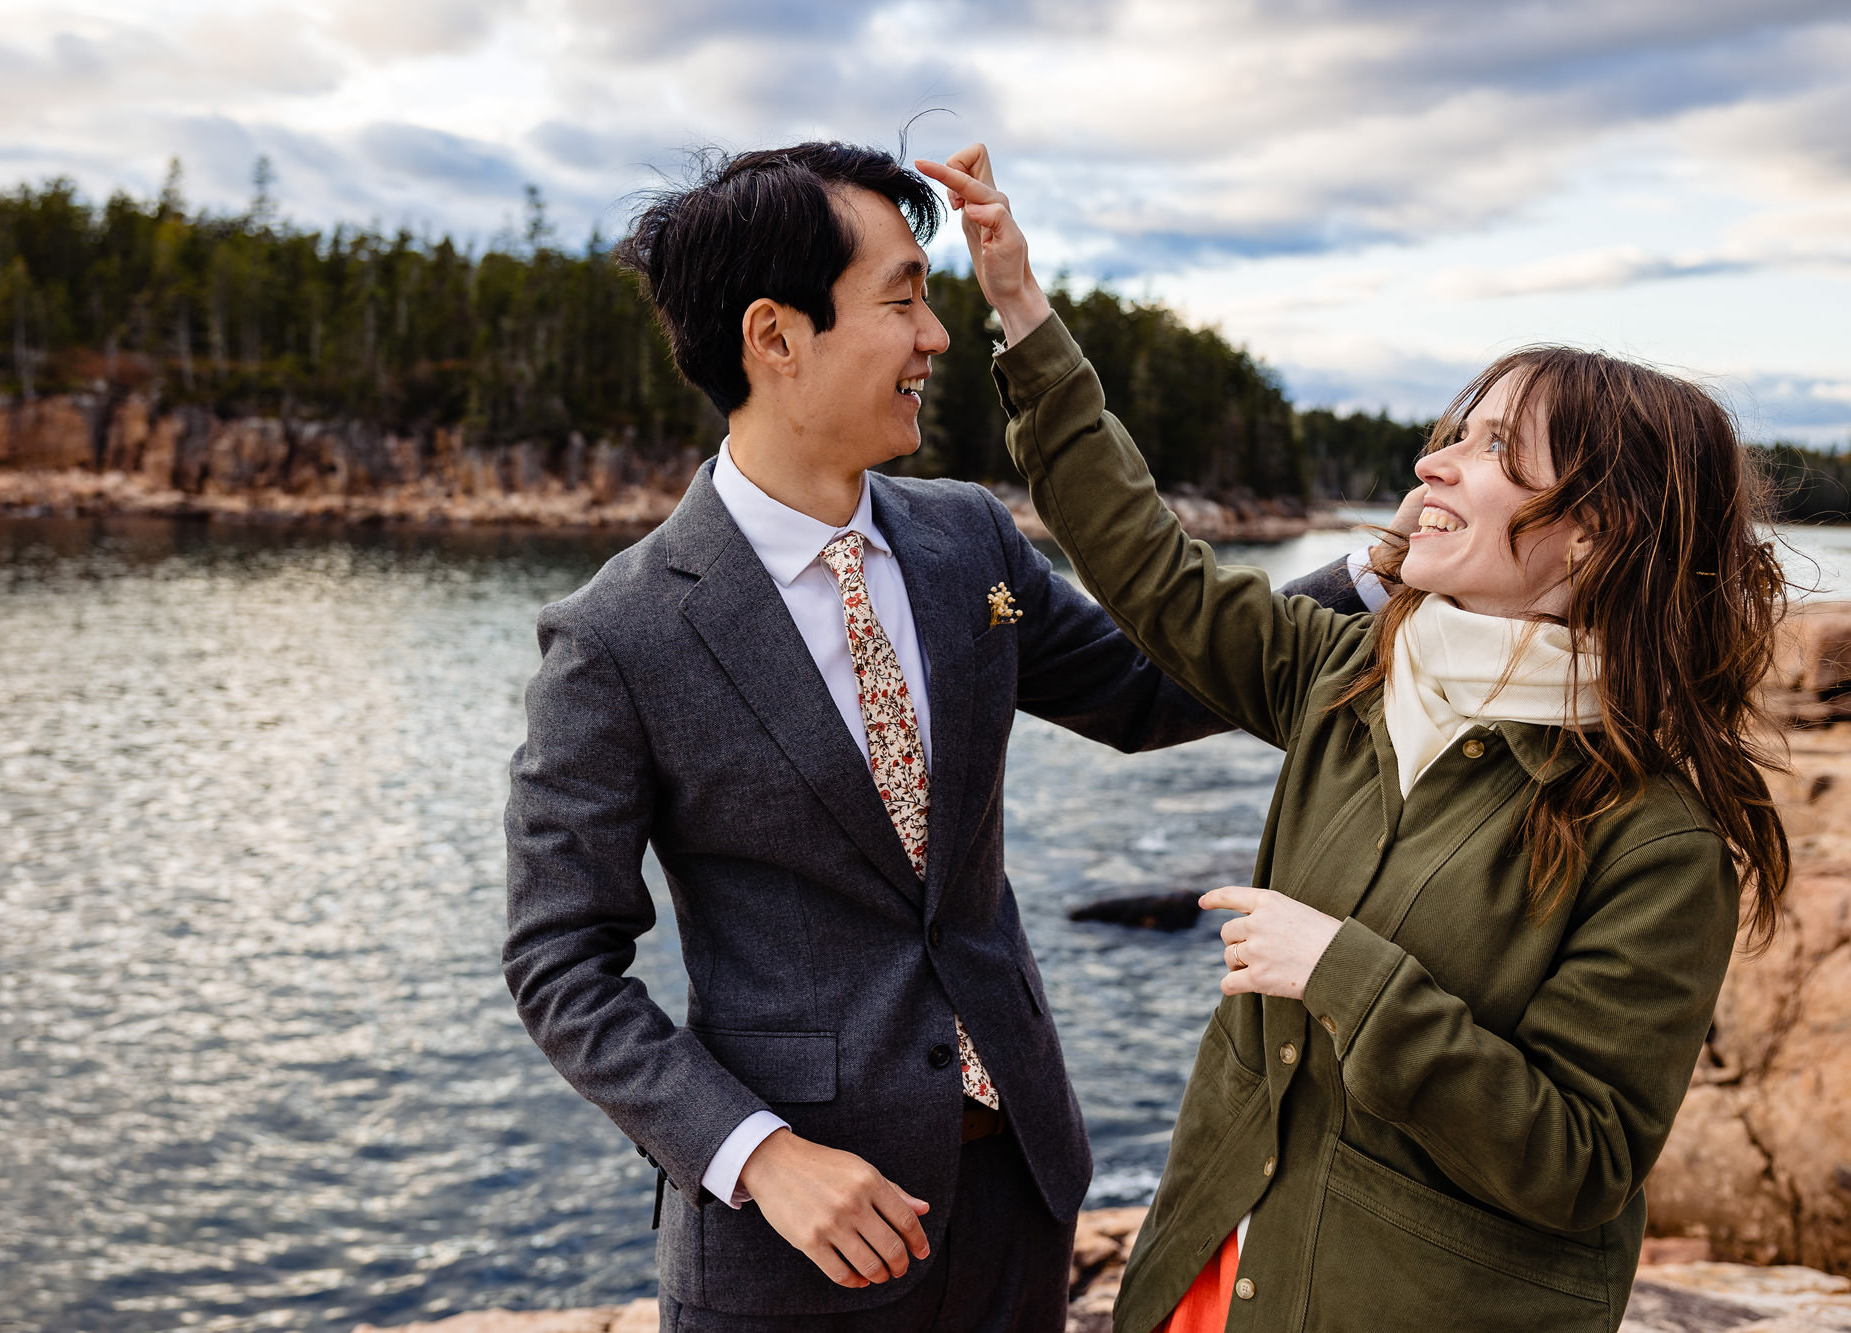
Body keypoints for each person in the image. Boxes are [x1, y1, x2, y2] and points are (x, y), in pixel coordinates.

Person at [916, 143, 1791, 1333]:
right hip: (1213, 1281)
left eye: (1489, 449)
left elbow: (1580, 1160)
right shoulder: (1348, 672)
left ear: (1593, 530)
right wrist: (1018, 306)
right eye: (1451, 431)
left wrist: (1343, 975)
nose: (1431, 461)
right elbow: (1148, 569)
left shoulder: (1654, 833)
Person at [500, 142, 1371, 1332]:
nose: (935, 337)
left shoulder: (966, 540)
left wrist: (1377, 569)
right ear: (775, 336)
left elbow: (1144, 685)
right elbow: (559, 961)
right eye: (903, 297)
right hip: (795, 1246)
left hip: (1018, 1193)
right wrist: (757, 1155)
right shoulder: (617, 634)